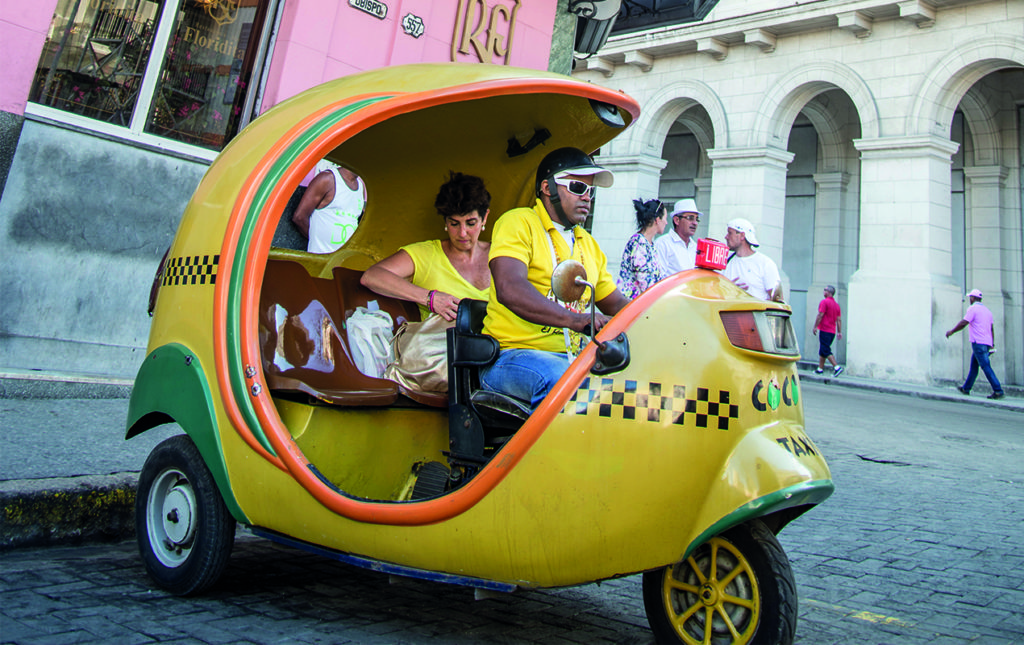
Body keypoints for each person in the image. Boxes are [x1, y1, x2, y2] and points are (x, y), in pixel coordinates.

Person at [480, 147, 630, 409]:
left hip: (571, 358)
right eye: (577, 187)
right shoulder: (519, 222)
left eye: (591, 191)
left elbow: (617, 305)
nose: (587, 198)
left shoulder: (589, 245)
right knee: (563, 379)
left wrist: (661, 318)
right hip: (511, 356)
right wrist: (577, 320)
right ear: (547, 188)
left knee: (632, 387)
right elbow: (509, 287)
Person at [360, 171, 490, 322]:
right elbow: (371, 276)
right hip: (444, 343)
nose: (462, 233)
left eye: (471, 223)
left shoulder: (502, 253)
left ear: (484, 218)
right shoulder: (426, 253)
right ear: (445, 222)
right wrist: (429, 298)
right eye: (454, 223)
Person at [292, 162, 367, 254]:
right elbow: (299, 217)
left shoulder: (360, 186)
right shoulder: (328, 179)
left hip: (342, 259)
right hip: (321, 258)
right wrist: (318, 239)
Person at [945, 289, 1004, 399]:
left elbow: (964, 322)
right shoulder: (987, 311)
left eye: (970, 298)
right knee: (974, 367)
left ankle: (998, 390)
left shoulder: (973, 309)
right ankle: (966, 388)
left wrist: (952, 331)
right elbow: (991, 328)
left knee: (986, 367)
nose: (969, 300)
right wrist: (992, 344)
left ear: (972, 298)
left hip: (978, 343)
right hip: (986, 343)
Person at [617, 198, 668, 299]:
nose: (666, 222)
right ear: (657, 220)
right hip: (632, 305)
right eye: (665, 218)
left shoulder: (650, 245)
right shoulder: (638, 243)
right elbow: (644, 281)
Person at [723, 218, 783, 302]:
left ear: (742, 236)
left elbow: (778, 301)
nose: (726, 237)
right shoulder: (725, 262)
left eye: (730, 233)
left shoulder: (765, 263)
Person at [654, 198, 700, 274]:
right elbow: (658, 278)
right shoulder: (663, 244)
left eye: (697, 219)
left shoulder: (696, 247)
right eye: (690, 218)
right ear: (677, 220)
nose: (695, 223)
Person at [812, 285, 844, 377]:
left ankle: (837, 367)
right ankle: (820, 369)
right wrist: (839, 332)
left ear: (828, 292)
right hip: (832, 331)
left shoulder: (824, 302)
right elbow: (839, 320)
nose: (823, 291)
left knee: (825, 349)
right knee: (823, 349)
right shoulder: (836, 305)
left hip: (825, 329)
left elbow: (820, 315)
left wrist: (815, 326)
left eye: (824, 290)